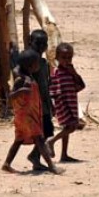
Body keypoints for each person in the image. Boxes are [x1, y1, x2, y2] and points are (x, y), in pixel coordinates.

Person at [1, 49, 63, 175]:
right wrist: (22, 90)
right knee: (39, 139)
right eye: (37, 63)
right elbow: (11, 96)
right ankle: (51, 166)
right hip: (26, 117)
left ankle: (7, 164)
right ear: (31, 66)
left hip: (31, 115)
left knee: (18, 140)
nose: (39, 65)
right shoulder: (22, 80)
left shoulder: (29, 78)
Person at [46, 42, 86, 163]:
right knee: (72, 127)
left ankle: (64, 155)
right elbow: (53, 91)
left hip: (72, 102)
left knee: (67, 128)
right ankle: (51, 141)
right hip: (63, 104)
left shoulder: (70, 72)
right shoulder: (57, 73)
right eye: (64, 58)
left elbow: (81, 85)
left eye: (69, 57)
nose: (67, 60)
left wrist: (73, 72)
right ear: (57, 58)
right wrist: (54, 106)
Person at [26, 30, 56, 166]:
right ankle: (42, 161)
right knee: (41, 133)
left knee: (47, 131)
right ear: (30, 42)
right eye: (38, 43)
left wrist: (51, 104)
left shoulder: (43, 63)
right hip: (34, 104)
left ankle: (35, 156)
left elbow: (47, 86)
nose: (41, 46)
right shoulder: (30, 64)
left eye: (44, 43)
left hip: (44, 103)